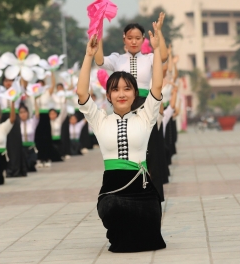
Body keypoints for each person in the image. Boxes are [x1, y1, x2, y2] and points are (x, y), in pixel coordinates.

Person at [77, 25, 166, 252]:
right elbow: (81, 93)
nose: (122, 94)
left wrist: (156, 52)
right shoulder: (99, 120)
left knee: (150, 239)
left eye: (127, 89)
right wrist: (88, 56)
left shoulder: (146, 117)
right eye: (116, 90)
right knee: (114, 209)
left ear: (135, 93)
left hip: (143, 193)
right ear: (108, 95)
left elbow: (156, 85)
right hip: (112, 193)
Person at [94, 13, 168, 108]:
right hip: (123, 105)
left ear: (143, 39)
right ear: (124, 40)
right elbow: (99, 61)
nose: (134, 42)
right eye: (129, 38)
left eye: (137, 38)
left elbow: (163, 57)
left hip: (145, 105)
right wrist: (99, 30)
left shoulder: (149, 58)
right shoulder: (117, 58)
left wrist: (159, 31)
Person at [0, 75, 27, 176]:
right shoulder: (0, 93)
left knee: (16, 144)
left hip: (15, 117)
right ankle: (9, 169)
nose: (8, 83)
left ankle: (18, 169)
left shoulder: (18, 91)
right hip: (5, 118)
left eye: (10, 80)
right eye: (6, 81)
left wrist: (21, 69)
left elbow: (24, 84)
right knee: (7, 144)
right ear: (3, 82)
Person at [34, 75, 56, 167]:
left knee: (46, 138)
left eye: (41, 84)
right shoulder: (34, 94)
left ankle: (47, 158)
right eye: (38, 84)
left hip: (45, 117)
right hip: (38, 117)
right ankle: (40, 158)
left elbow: (53, 84)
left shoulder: (47, 93)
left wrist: (52, 71)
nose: (40, 86)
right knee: (38, 138)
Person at [19, 101, 40, 172]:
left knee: (31, 165)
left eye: (24, 112)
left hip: (31, 148)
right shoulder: (17, 124)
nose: (23, 114)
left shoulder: (32, 122)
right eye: (21, 112)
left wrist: (35, 100)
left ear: (28, 113)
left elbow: (37, 115)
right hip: (22, 149)